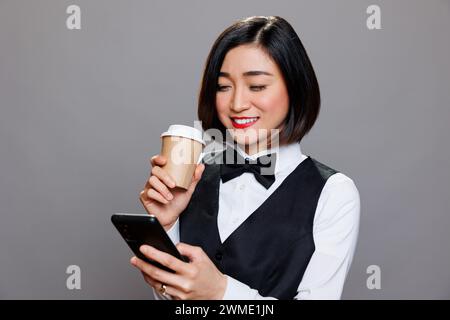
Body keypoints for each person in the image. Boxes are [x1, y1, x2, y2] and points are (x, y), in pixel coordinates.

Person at [130, 16, 360, 300]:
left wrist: (222, 293)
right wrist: (166, 227)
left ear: (295, 89)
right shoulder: (193, 175)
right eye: (224, 87)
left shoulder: (334, 193)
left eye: (257, 86)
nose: (237, 104)